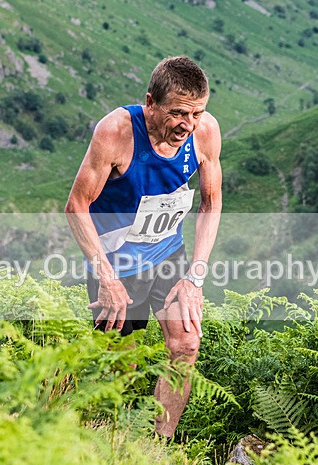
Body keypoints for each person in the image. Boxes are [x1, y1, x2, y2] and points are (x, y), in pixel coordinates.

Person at [65, 56, 223, 439]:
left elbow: (210, 202)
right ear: (150, 102)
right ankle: (105, 441)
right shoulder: (116, 132)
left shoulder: (205, 132)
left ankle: (159, 445)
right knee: (122, 364)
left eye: (197, 113)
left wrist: (195, 277)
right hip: (115, 263)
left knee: (186, 345)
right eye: (178, 113)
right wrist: (106, 278)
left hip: (168, 254)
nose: (188, 125)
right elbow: (76, 206)